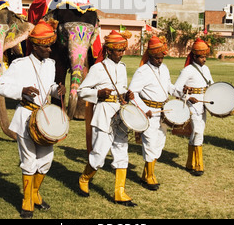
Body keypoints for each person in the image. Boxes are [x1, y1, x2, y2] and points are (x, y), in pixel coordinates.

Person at [0, 19, 66, 218]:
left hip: (44, 119)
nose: (50, 50)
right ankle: (27, 200)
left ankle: (34, 193)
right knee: (29, 160)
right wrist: (21, 90)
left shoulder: (50, 64)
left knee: (46, 160)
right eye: (45, 46)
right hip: (25, 116)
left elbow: (48, 86)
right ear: (34, 46)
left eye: (50, 45)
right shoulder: (20, 64)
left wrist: (56, 89)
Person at [77, 30, 136, 207]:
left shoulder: (123, 68)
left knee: (121, 154)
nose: (121, 53)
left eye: (122, 50)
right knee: (99, 155)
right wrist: (98, 93)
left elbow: (121, 91)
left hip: (120, 114)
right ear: (109, 50)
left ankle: (120, 193)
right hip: (103, 114)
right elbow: (81, 91)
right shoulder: (98, 68)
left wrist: (127, 95)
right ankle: (84, 178)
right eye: (118, 50)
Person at [129, 35, 177, 190]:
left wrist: (181, 91)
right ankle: (149, 177)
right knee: (149, 144)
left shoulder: (164, 68)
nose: (160, 60)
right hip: (148, 113)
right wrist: (144, 109)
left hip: (163, 112)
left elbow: (168, 86)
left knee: (159, 144)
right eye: (157, 58)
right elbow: (132, 93)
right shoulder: (142, 71)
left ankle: (145, 174)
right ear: (150, 55)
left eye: (162, 57)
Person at [174, 38, 213, 176]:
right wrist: (187, 97)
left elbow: (211, 85)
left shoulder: (206, 69)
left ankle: (190, 163)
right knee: (197, 131)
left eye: (205, 56)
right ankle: (198, 164)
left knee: (198, 131)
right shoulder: (187, 70)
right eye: (202, 57)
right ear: (195, 56)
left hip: (204, 104)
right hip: (192, 104)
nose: (204, 59)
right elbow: (176, 89)